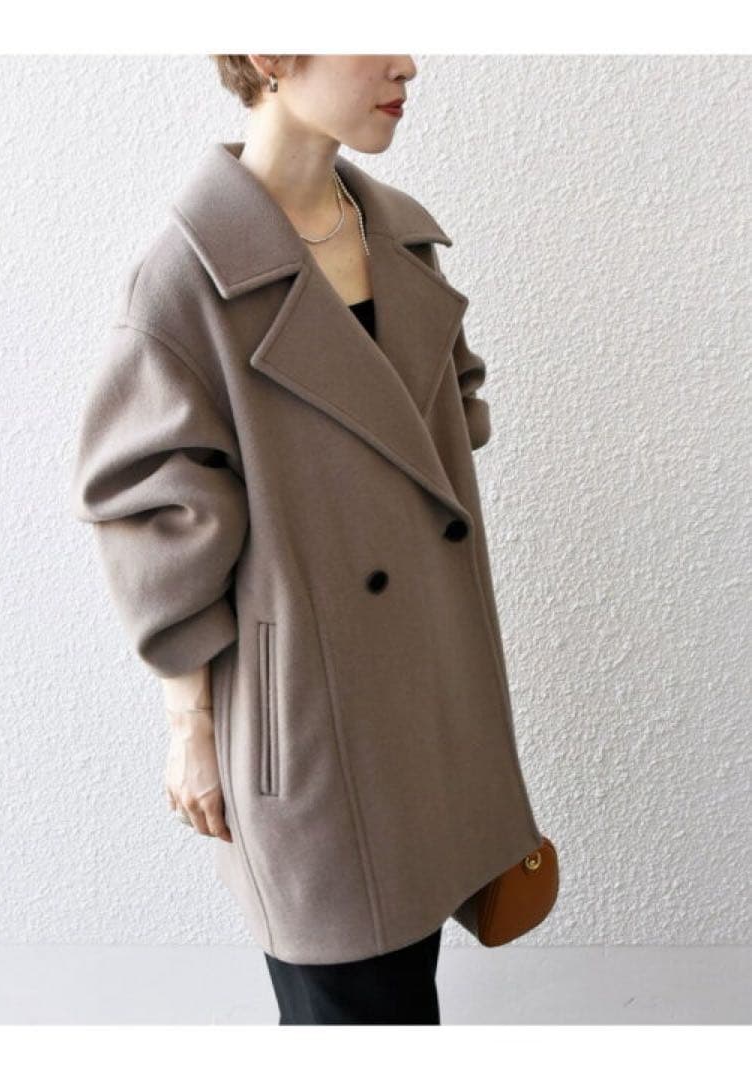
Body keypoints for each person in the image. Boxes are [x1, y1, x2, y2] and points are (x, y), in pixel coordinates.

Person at [71, 54, 543, 1025]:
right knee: (354, 1007)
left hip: (429, 699)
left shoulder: (400, 239)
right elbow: (153, 519)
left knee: (405, 998)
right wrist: (190, 728)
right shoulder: (186, 279)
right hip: (309, 720)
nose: (406, 60)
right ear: (271, 53)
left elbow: (446, 422)